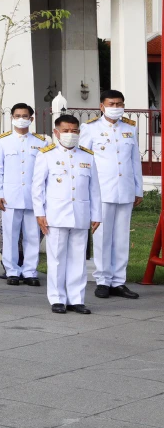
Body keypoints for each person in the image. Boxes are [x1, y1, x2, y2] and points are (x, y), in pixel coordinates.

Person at [34, 114, 101, 314]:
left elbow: (94, 189)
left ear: (79, 132)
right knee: (56, 258)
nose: (70, 134)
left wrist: (96, 214)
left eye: (74, 131)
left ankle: (76, 299)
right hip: (55, 215)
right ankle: (57, 299)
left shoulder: (88, 156)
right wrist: (39, 213)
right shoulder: (46, 155)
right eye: (65, 131)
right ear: (56, 132)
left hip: (80, 214)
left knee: (78, 259)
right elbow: (37, 187)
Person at [81, 89, 143, 299]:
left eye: (119, 104)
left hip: (124, 189)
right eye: (112, 103)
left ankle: (118, 281)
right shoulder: (90, 129)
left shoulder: (129, 128)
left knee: (121, 238)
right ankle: (102, 280)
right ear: (102, 106)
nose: (116, 107)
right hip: (102, 190)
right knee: (102, 237)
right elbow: (84, 161)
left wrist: (138, 189)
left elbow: (135, 161)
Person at [0, 103, 48, 286]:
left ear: (31, 119)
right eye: (17, 115)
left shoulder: (41, 142)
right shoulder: (3, 141)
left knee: (32, 236)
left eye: (25, 116)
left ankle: (30, 271)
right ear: (12, 118)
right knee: (10, 236)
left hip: (33, 197)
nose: (21, 119)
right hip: (10, 197)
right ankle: (12, 270)